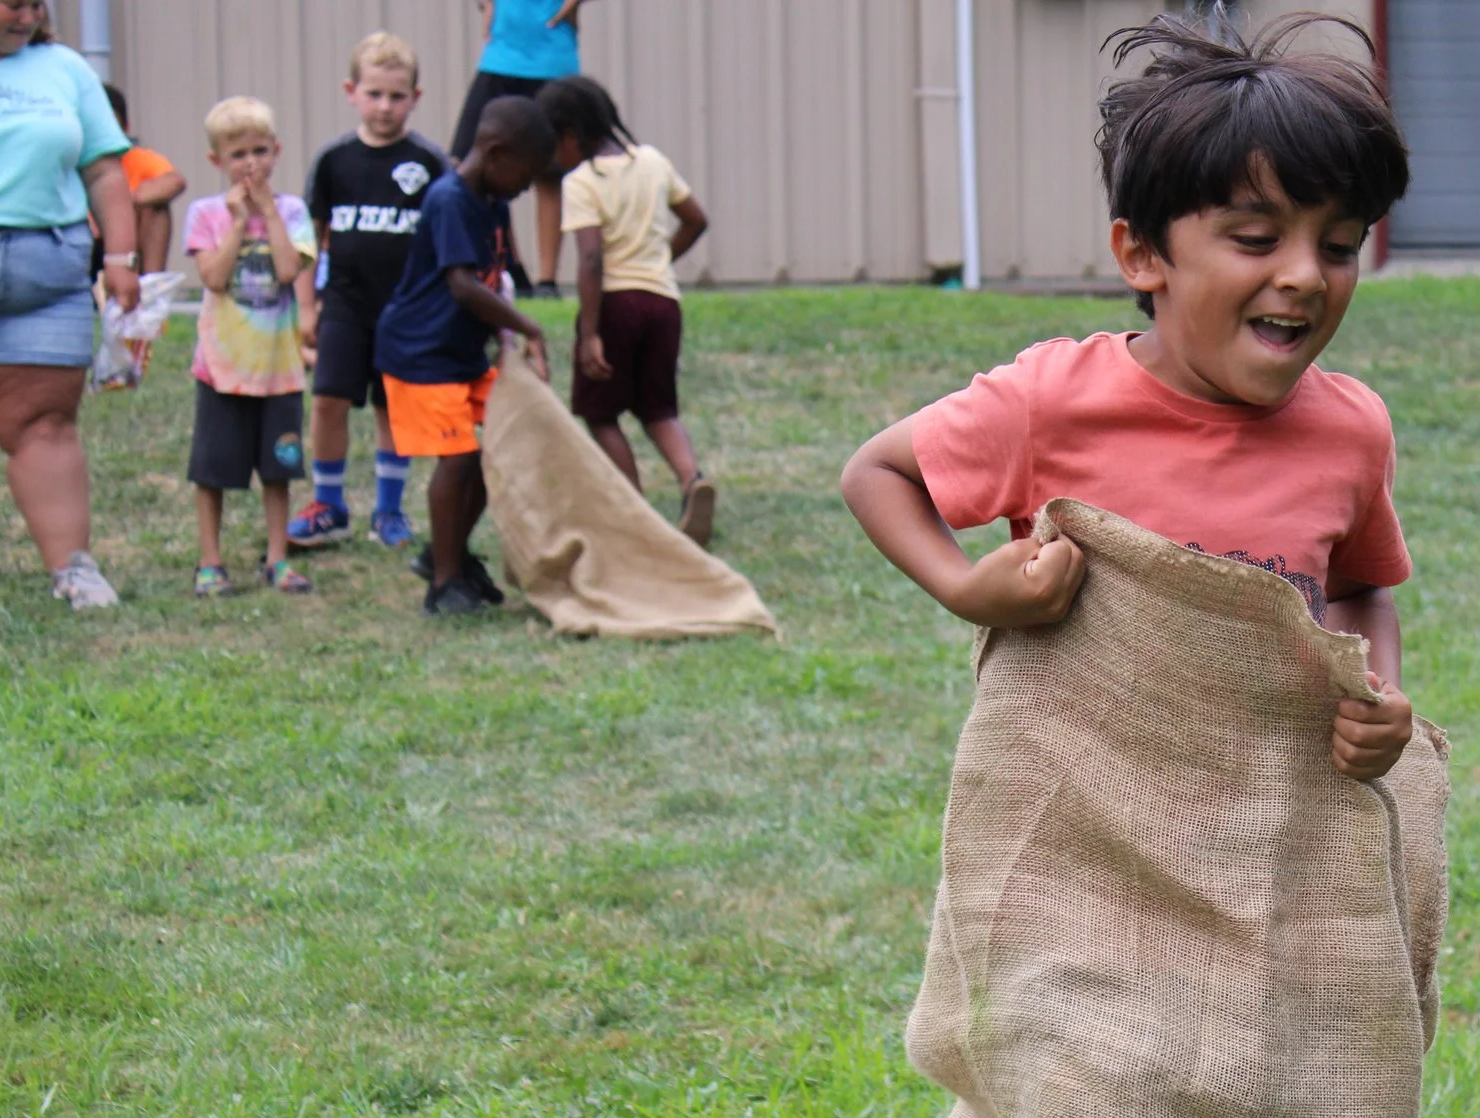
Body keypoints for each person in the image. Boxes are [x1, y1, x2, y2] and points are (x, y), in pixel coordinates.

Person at [840, 13, 1416, 781]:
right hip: (1076, 835)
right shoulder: (1052, 402)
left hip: (1263, 832)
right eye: (1256, 239)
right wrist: (964, 588)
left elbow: (1357, 589)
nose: (1308, 275)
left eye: (1339, 245)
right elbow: (877, 473)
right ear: (1143, 254)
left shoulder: (1351, 431)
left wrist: (1379, 696)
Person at [0, 0, 137, 610]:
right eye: (13, 3)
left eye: (36, 4)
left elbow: (105, 172)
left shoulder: (65, 68)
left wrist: (121, 261)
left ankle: (74, 572)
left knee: (45, 424)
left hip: (46, 274)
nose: (27, 15)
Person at [374, 94, 553, 614]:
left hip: (461, 353)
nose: (526, 186)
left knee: (489, 453)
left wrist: (509, 345)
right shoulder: (450, 199)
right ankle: (443, 584)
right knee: (457, 457)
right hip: (419, 353)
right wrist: (528, 326)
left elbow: (492, 281)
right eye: (527, 172)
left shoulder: (493, 202)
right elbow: (464, 285)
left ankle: (445, 554)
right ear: (496, 153)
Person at [536, 74, 714, 543]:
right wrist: (660, 260)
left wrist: (590, 332)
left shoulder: (582, 181)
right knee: (658, 407)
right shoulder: (652, 162)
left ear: (570, 135)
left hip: (614, 305)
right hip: (663, 303)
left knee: (600, 413)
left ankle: (634, 508)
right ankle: (692, 479)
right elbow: (696, 219)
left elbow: (592, 259)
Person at [289, 31, 447, 552]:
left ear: (416, 98)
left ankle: (389, 510)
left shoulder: (429, 162)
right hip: (345, 303)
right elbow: (309, 239)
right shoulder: (334, 160)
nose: (385, 107)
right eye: (374, 94)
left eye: (397, 96)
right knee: (329, 399)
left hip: (404, 309)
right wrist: (308, 306)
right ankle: (329, 505)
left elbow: (446, 237)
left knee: (392, 407)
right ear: (351, 91)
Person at [183, 96, 318, 597]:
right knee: (212, 469)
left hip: (278, 369)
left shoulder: (293, 211)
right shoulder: (205, 213)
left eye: (260, 151)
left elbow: (288, 270)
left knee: (279, 468)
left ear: (277, 151)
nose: (251, 164)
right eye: (238, 155)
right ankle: (210, 560)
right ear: (217, 161)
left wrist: (268, 215)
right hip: (221, 368)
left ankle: (278, 559)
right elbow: (214, 279)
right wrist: (240, 222)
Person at [453, 0, 599, 299]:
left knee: (552, 174)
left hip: (553, 59)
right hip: (500, 57)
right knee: (474, 165)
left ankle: (547, 280)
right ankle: (510, 266)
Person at [103, 85, 183, 275]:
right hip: (84, 244)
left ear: (125, 128)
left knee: (156, 207)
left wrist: (122, 203)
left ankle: (151, 290)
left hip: (126, 245)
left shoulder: (137, 158)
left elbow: (174, 182)